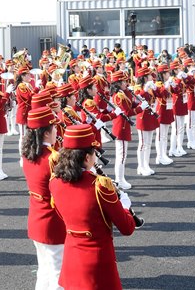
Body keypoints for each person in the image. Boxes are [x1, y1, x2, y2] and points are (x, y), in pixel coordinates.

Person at [49, 124, 136, 290]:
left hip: (71, 257)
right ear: (87, 158)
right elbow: (127, 228)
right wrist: (125, 206)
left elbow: (62, 214)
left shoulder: (54, 181)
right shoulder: (100, 185)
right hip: (98, 261)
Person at [21, 106, 65, 290]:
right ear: (46, 132)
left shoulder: (27, 154)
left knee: (44, 270)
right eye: (54, 128)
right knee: (58, 273)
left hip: (36, 216)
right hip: (53, 220)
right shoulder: (53, 158)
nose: (56, 131)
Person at [109, 70, 139, 190]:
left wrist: (137, 102)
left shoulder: (122, 93)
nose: (126, 83)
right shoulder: (119, 96)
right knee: (121, 155)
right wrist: (140, 108)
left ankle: (120, 178)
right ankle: (119, 179)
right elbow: (128, 111)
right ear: (118, 83)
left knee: (122, 154)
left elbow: (129, 105)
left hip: (123, 125)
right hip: (121, 126)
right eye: (124, 81)